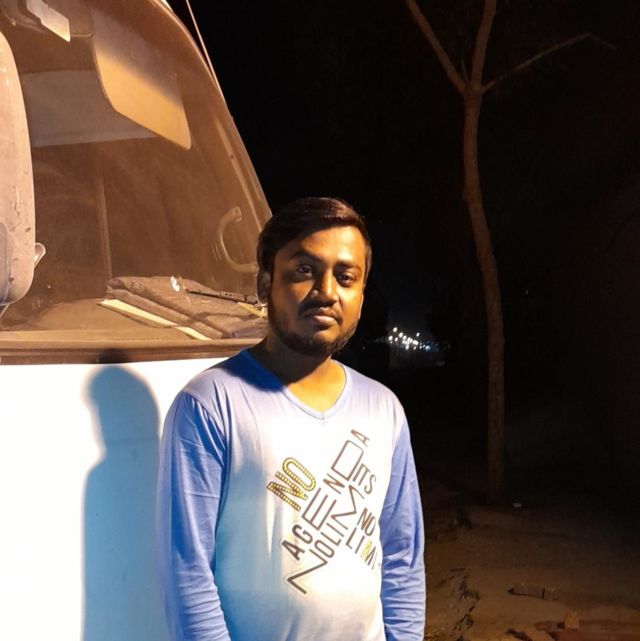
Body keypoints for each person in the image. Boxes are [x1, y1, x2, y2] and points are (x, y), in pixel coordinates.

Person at [156, 197, 425, 641]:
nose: (326, 291)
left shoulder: (384, 409)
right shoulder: (210, 404)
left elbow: (402, 558)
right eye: (304, 270)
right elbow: (188, 570)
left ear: (361, 295)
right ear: (265, 283)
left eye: (346, 277)